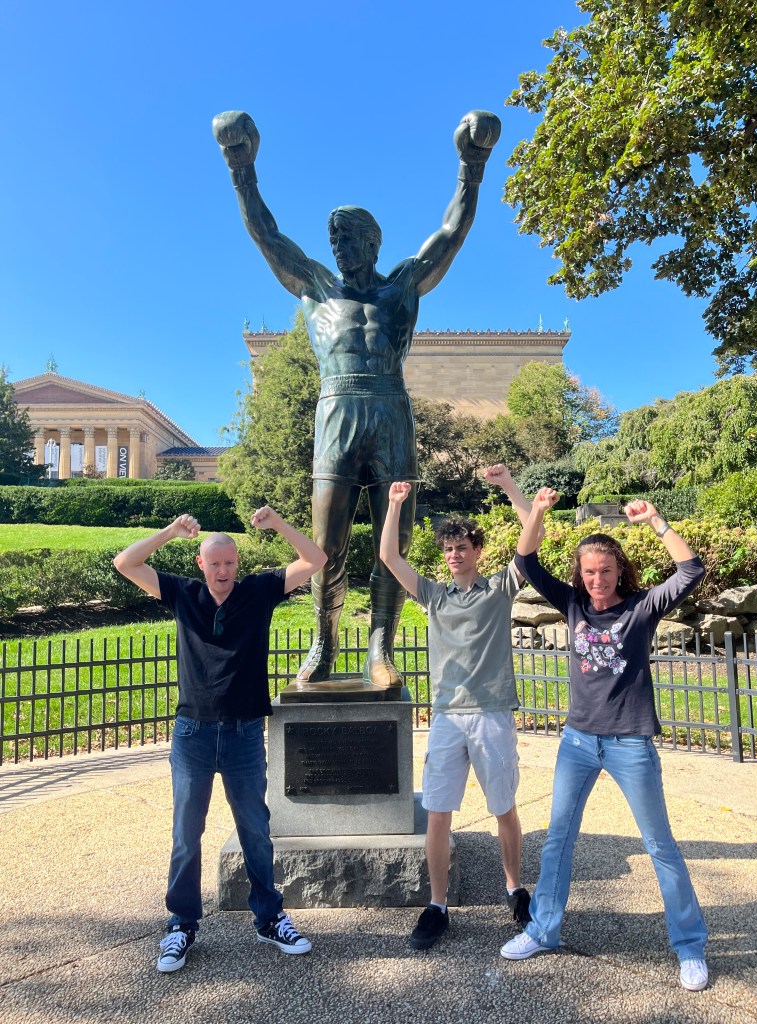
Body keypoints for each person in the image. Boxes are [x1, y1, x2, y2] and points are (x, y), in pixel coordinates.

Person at [212, 108, 501, 692]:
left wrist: (472, 166)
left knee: (394, 539)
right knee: (327, 543)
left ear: (374, 242)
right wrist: (242, 167)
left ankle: (380, 648)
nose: (340, 248)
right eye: (334, 240)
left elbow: (451, 233)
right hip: (336, 411)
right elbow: (267, 235)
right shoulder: (317, 287)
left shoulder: (401, 288)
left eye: (349, 239)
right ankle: (324, 639)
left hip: (390, 409)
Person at [500, 489, 709, 992]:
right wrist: (539, 511)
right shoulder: (571, 603)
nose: (597, 580)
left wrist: (655, 519)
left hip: (630, 743)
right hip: (577, 742)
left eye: (606, 571)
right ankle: (543, 928)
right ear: (580, 574)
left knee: (660, 845)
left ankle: (690, 946)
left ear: (620, 572)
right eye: (589, 572)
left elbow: (690, 572)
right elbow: (525, 560)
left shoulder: (640, 609)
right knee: (557, 842)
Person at [113, 508, 327, 972]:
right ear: (201, 564)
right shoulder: (182, 594)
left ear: (237, 563)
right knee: (186, 835)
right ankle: (181, 925)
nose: (223, 572)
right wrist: (168, 530)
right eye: (214, 564)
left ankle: (269, 918)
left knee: (256, 830)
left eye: (229, 563)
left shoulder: (258, 591)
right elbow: (125, 563)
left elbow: (316, 559)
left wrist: (280, 525)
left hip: (245, 732)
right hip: (192, 731)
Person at [380, 465, 536, 949]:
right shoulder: (433, 595)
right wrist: (395, 504)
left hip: (491, 712)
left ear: (477, 551)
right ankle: (438, 905)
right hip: (447, 715)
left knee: (504, 806)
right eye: (447, 550)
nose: (453, 556)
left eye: (461, 549)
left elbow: (531, 536)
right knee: (438, 813)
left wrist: (510, 486)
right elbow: (389, 556)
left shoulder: (498, 588)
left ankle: (514, 888)